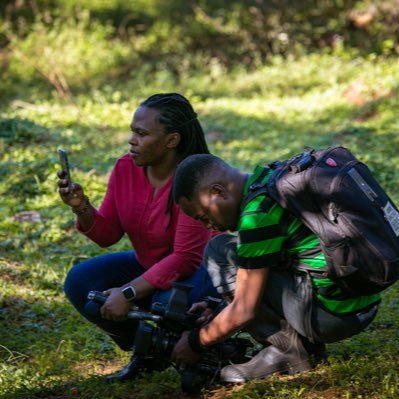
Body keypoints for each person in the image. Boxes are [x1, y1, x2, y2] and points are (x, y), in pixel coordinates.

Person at [171, 153, 381, 383]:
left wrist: (195, 342)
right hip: (361, 301)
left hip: (333, 316)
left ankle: (287, 352)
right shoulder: (270, 178)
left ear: (218, 191)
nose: (208, 225)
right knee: (233, 253)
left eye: (204, 216)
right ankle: (299, 345)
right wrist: (220, 307)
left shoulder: (257, 215)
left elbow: (244, 310)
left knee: (219, 250)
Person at [57, 93, 218, 381]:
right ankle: (150, 352)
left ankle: (200, 350)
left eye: (141, 134)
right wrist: (81, 207)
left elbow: (185, 258)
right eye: (132, 131)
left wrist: (128, 292)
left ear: (172, 140)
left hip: (197, 275)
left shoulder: (194, 177)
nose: (132, 140)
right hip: (148, 265)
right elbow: (108, 234)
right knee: (81, 282)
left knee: (168, 302)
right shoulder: (125, 168)